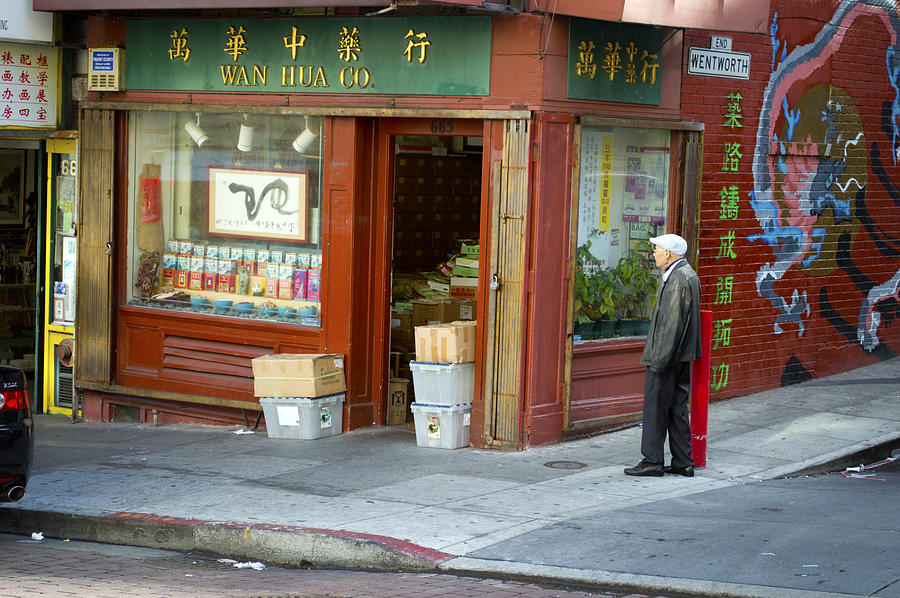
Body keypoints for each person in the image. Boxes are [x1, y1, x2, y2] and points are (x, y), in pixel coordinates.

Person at [625, 234, 701, 477]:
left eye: (656, 250)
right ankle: (683, 461)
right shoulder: (686, 274)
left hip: (667, 356)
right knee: (677, 409)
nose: (654, 254)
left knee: (656, 409)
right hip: (680, 355)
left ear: (668, 253)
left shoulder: (678, 278)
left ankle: (652, 461)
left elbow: (671, 325)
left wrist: (659, 360)